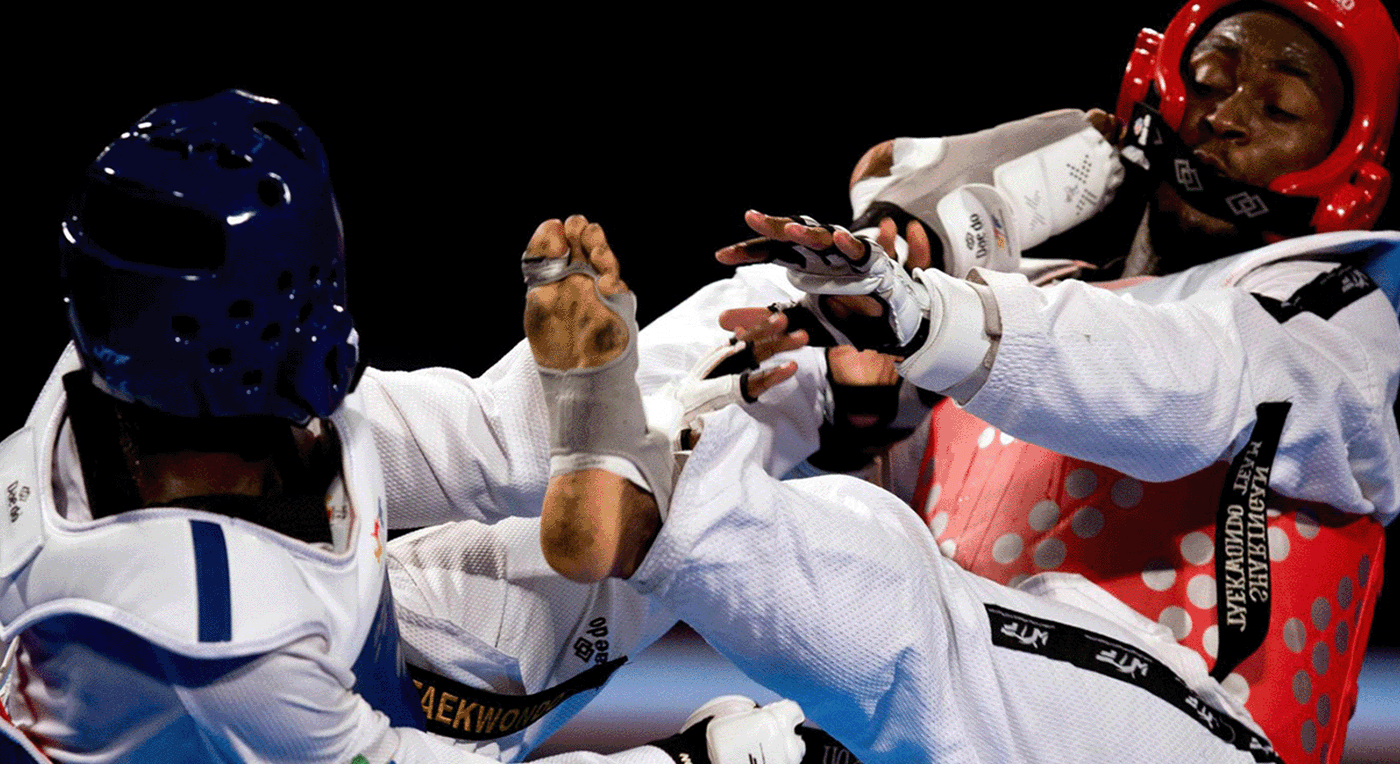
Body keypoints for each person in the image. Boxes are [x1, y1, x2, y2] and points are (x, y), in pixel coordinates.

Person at [542, 0, 1398, 762]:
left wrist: (933, 314)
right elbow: (953, 512)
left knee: (903, 594)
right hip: (974, 710)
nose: (1228, 117)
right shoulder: (1038, 307)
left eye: (1280, 105)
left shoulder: (1335, 317)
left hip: (1192, 731)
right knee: (791, 412)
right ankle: (516, 506)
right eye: (1210, 80)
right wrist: (862, 413)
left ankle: (661, 505)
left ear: (1346, 169)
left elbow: (1185, 384)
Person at [0, 90, 820, 764]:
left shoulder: (133, 377)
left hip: (363, 647)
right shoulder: (223, 643)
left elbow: (484, 446)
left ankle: (814, 351)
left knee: (639, 493)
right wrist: (682, 758)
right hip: (317, 723)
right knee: (645, 531)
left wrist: (589, 392)